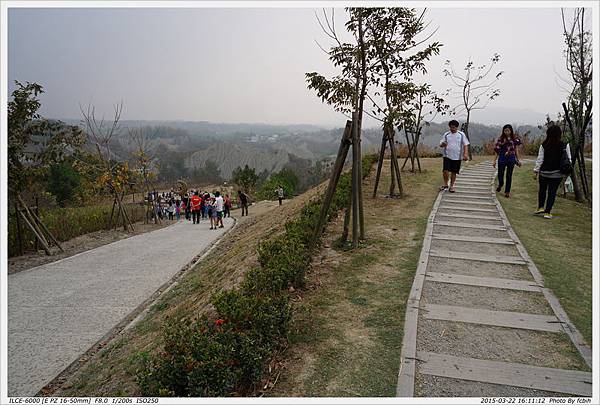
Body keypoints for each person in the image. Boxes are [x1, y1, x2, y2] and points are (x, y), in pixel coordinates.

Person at [533, 125, 572, 219]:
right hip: (557, 173)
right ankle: (548, 212)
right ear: (559, 134)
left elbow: (540, 159)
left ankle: (540, 207)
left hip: (544, 172)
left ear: (548, 134)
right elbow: (569, 159)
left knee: (542, 190)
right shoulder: (564, 145)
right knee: (552, 192)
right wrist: (566, 171)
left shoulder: (544, 145)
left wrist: (535, 171)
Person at [439, 120, 470, 193]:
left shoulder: (461, 134)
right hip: (447, 155)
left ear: (457, 127)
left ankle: (452, 186)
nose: (452, 129)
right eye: (451, 127)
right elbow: (441, 144)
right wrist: (442, 144)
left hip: (457, 157)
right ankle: (446, 184)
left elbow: (465, 144)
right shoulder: (446, 134)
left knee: (454, 172)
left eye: (453, 127)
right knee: (445, 170)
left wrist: (465, 154)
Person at [493, 124, 522, 198]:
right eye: (505, 130)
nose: (506, 132)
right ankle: (500, 184)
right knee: (500, 174)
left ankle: (507, 191)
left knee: (509, 175)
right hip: (502, 157)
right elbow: (497, 150)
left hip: (511, 158)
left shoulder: (514, 139)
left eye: (508, 130)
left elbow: (516, 150)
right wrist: (494, 160)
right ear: (503, 131)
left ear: (511, 131)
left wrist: (518, 160)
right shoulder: (501, 139)